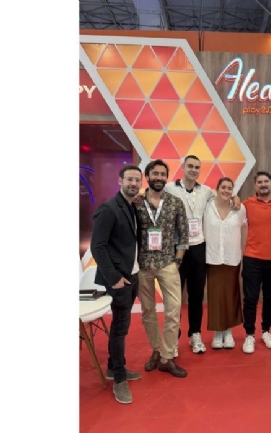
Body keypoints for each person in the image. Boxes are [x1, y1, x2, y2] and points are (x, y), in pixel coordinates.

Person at [163, 155, 241, 355]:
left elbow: (223, 199)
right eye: (190, 166)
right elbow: (153, 198)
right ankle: (173, 340)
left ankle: (195, 334)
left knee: (196, 295)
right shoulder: (169, 188)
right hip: (176, 248)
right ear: (183, 167)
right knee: (174, 297)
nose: (193, 170)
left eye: (197, 167)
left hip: (199, 248)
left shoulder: (206, 191)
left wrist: (236, 198)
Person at [89, 164, 144, 404]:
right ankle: (119, 380)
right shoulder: (108, 208)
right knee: (120, 330)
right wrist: (113, 278)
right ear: (120, 181)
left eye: (137, 180)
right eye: (129, 179)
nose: (133, 183)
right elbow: (97, 247)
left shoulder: (131, 206)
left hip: (132, 275)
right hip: (119, 279)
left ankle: (113, 367)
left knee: (122, 327)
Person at [134, 159, 190, 378]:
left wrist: (177, 261)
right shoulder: (136, 202)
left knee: (173, 309)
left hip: (168, 263)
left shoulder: (175, 202)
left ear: (166, 178)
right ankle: (156, 350)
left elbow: (183, 234)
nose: (159, 177)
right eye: (155, 174)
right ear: (147, 176)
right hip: (143, 264)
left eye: (162, 174)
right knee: (148, 311)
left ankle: (167, 357)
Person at [241, 171, 271, 354]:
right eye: (260, 182)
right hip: (252, 257)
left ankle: (266, 330)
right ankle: (249, 334)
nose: (263, 184)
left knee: (270, 298)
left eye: (266, 181)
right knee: (250, 298)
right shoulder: (247, 204)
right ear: (255, 185)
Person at [203, 177, 246, 349]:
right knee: (215, 297)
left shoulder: (239, 208)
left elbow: (245, 227)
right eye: (223, 187)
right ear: (217, 188)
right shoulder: (207, 206)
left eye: (229, 188)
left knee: (231, 295)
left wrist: (243, 251)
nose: (226, 190)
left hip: (232, 258)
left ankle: (228, 331)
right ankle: (217, 331)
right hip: (213, 258)